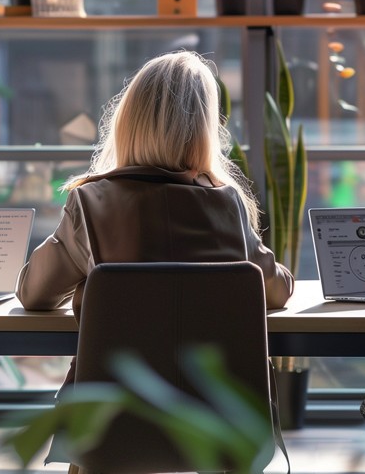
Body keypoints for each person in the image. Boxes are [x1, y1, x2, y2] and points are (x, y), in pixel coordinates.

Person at [16, 50, 295, 388]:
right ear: (204, 131)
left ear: (129, 120)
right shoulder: (226, 204)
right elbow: (275, 291)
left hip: (110, 418)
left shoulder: (91, 203)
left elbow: (33, 294)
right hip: (219, 425)